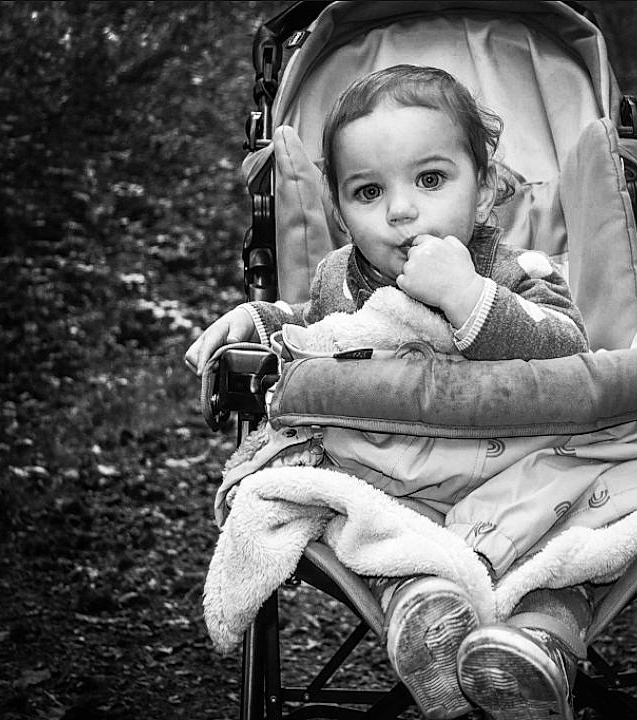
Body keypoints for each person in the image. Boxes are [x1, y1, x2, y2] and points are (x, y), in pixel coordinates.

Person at [187, 65, 600, 720]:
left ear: (485, 187)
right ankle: (425, 620)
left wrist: (470, 300)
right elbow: (318, 333)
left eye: (431, 180)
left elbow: (571, 351)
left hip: (517, 485)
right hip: (395, 488)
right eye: (369, 190)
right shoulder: (337, 279)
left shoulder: (516, 274)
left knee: (567, 548)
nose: (401, 210)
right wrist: (263, 322)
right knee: (368, 530)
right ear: (339, 209)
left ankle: (533, 651)